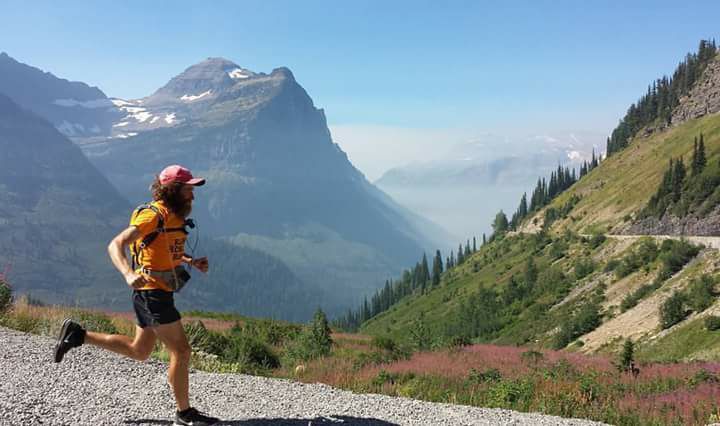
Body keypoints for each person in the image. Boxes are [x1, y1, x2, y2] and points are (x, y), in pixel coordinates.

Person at [53, 165, 219, 426]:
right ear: (174, 190)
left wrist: (190, 260)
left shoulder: (174, 215)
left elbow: (159, 247)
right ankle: (184, 413)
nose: (193, 196)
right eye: (189, 190)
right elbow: (115, 244)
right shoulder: (153, 216)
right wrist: (128, 274)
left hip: (154, 292)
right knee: (182, 351)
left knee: (139, 351)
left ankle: (78, 334)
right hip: (152, 294)